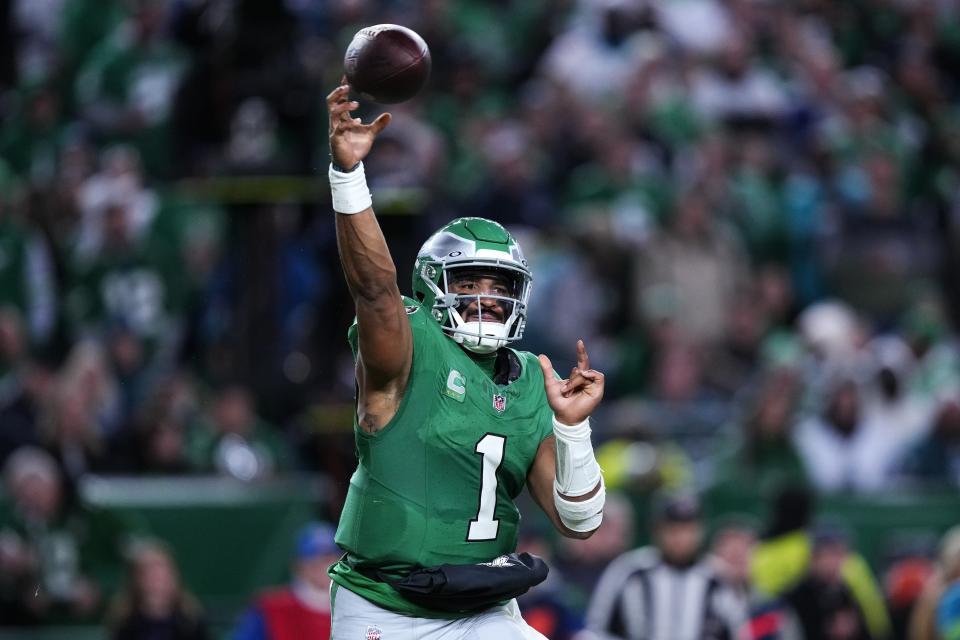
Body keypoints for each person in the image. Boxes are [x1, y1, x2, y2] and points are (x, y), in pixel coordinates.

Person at [324, 81, 606, 639]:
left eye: (499, 286)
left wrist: (573, 430)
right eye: (470, 282)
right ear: (434, 286)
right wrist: (348, 176)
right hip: (384, 606)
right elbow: (375, 290)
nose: (487, 298)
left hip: (482, 608)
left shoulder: (530, 380)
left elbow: (580, 523)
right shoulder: (411, 346)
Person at [585, 493, 745, 640]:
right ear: (657, 531)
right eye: (673, 530)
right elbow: (596, 631)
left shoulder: (718, 579)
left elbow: (738, 631)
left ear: (700, 531)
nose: (680, 539)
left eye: (687, 530)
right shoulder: (630, 571)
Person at [231, 522, 338, 640]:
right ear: (299, 565)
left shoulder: (352, 607)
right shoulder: (270, 607)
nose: (324, 568)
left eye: (329, 560)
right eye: (314, 563)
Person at [106, 539, 210, 640]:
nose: (157, 580)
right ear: (137, 579)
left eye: (162, 573)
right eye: (150, 573)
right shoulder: (124, 622)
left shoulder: (190, 621)